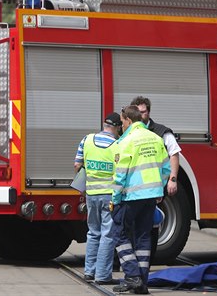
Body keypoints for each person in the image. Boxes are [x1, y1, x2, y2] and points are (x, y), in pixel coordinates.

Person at [111, 105, 171, 294]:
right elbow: (166, 168)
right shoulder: (155, 138)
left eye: (121, 122)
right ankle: (142, 282)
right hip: (151, 196)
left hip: (132, 196)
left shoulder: (126, 141)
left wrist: (115, 198)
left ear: (128, 120)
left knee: (119, 233)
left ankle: (133, 276)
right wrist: (159, 188)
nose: (121, 126)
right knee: (144, 236)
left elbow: (120, 174)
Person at [73, 112, 122, 285]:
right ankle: (102, 275)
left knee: (93, 233)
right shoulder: (117, 145)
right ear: (117, 128)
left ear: (104, 124)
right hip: (109, 197)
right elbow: (120, 172)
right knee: (107, 236)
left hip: (91, 195)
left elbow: (77, 165)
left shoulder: (86, 140)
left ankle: (89, 271)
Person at [130, 96, 181, 196]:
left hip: (156, 188)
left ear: (148, 112)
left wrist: (173, 179)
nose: (140, 115)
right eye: (137, 112)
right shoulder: (129, 132)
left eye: (143, 112)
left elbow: (174, 153)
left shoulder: (161, 132)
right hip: (136, 188)